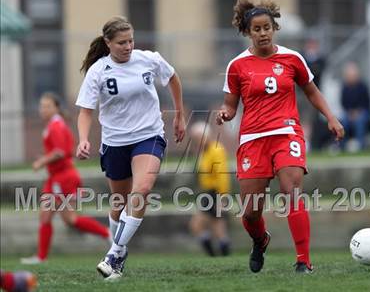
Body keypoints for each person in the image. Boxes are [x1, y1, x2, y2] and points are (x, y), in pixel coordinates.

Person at [216, 0, 344, 274]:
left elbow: (311, 91)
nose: (262, 33)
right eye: (256, 29)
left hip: (286, 133)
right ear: (248, 32)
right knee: (250, 213)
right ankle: (260, 240)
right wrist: (226, 113)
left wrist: (331, 118)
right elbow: (230, 103)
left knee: (291, 190)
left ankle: (303, 261)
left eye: (267, 28)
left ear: (274, 28)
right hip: (252, 140)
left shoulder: (292, 58)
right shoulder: (237, 66)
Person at [75, 16, 185, 280]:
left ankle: (114, 252)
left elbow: (172, 78)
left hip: (149, 135)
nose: (127, 46)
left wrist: (180, 114)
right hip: (115, 142)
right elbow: (86, 111)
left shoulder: (148, 59)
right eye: (121, 42)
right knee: (119, 204)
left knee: (143, 190)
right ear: (108, 43)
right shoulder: (98, 70)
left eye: (131, 41)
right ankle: (119, 253)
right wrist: (83, 138)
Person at [21, 93, 110, 265]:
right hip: (55, 178)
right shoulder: (53, 125)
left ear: (56, 108)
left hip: (64, 178)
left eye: (47, 106)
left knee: (70, 219)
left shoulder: (56, 126)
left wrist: (41, 161)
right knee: (46, 216)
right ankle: (41, 257)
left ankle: (107, 233)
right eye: (41, 106)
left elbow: (60, 152)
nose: (43, 109)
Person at [189, 121, 231, 257]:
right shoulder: (205, 152)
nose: (196, 142)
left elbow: (222, 175)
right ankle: (220, 255)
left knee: (199, 225)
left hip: (215, 193)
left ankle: (216, 255)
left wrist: (223, 196)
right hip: (208, 193)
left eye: (197, 138)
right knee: (217, 227)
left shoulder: (216, 150)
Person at [340, 62, 370, 151]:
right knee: (342, 122)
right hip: (349, 112)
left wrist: (358, 112)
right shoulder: (345, 88)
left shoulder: (363, 86)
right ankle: (342, 146)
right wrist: (350, 112)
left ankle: (361, 146)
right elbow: (343, 103)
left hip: (362, 111)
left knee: (360, 121)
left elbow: (367, 103)